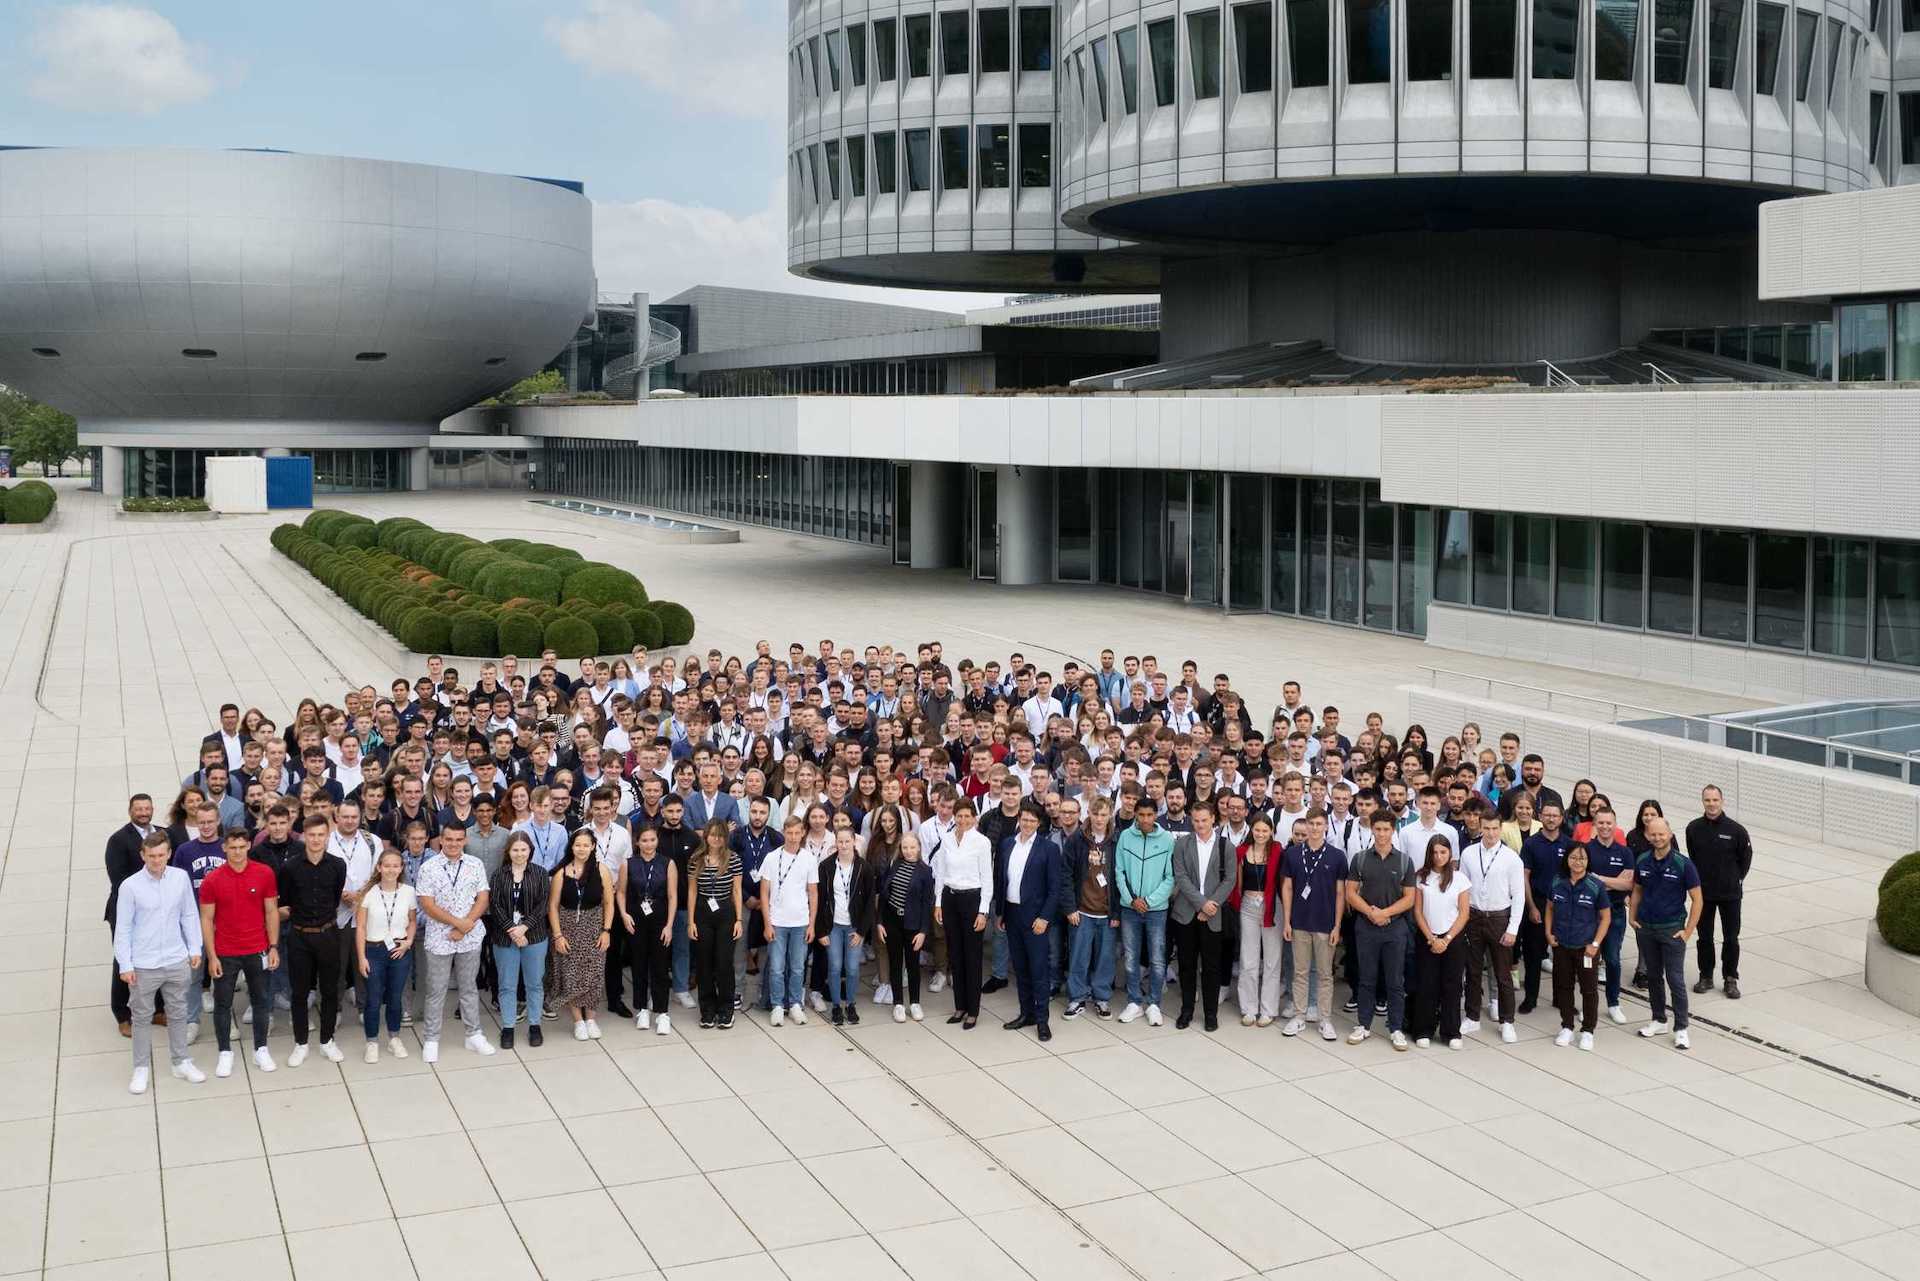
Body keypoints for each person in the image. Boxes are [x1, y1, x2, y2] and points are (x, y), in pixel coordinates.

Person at [116, 831, 206, 1093]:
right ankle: (141, 1068)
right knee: (141, 1018)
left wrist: (194, 948)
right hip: (144, 964)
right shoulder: (130, 886)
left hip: (176, 959)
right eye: (151, 856)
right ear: (143, 855)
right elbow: (123, 928)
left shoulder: (179, 878)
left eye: (161, 855)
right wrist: (126, 964)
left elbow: (190, 914)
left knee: (178, 1013)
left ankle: (181, 1062)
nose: (157, 860)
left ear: (169, 854)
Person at [197, 828, 280, 1077]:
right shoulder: (212, 880)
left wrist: (273, 946)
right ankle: (225, 1052)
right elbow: (206, 918)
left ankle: (261, 1049)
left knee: (261, 1001)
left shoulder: (264, 873)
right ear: (224, 848)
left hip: (258, 950)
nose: (237, 852)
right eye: (232, 847)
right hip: (225, 952)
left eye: (242, 847)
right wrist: (211, 956)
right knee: (222, 1004)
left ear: (248, 847)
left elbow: (271, 912)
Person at [416, 819, 494, 1061]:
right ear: (441, 839)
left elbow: (483, 898)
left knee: (469, 987)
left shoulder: (475, 864)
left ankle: (473, 1035)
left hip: (469, 937)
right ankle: (431, 1038)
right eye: (449, 839)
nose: (453, 844)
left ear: (465, 840)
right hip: (440, 938)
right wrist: (458, 923)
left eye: (459, 839)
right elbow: (427, 904)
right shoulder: (428, 867)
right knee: (436, 990)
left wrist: (466, 925)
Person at [278, 814, 348, 1065]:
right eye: (312, 835)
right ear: (304, 836)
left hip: (328, 934)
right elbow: (285, 901)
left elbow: (336, 894)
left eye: (321, 835)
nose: (316, 839)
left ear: (327, 837)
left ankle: (327, 1040)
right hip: (299, 936)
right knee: (299, 993)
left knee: (329, 991)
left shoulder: (338, 866)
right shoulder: (290, 868)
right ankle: (300, 1043)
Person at [995, 801, 1067, 1041]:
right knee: (1021, 969)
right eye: (1024, 819)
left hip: (1035, 918)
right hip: (1012, 915)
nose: (1026, 824)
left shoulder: (1048, 849)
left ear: (1039, 824)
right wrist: (1001, 913)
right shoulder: (1007, 844)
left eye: (1032, 821)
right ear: (1019, 819)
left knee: (1038, 970)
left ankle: (1042, 1020)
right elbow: (1001, 881)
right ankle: (1026, 1013)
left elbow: (1054, 888)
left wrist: (1045, 917)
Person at [1629, 816, 1703, 1050]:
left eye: (1662, 834)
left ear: (1670, 834)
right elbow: (1637, 890)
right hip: (1647, 928)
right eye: (1653, 834)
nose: (1658, 837)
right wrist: (1633, 916)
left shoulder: (1684, 864)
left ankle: (1681, 1028)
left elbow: (1697, 899)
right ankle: (1658, 1019)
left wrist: (1688, 930)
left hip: (1672, 930)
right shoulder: (1642, 860)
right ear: (1648, 836)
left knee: (1675, 980)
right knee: (1653, 977)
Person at [1345, 812, 1416, 1049]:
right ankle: (1363, 1025)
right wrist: (1371, 913)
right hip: (1366, 928)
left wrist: (1384, 914)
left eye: (1386, 829)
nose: (1382, 834)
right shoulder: (1361, 859)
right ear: (1372, 830)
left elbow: (1409, 898)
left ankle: (1395, 1028)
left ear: (1393, 830)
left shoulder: (1404, 861)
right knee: (1366, 978)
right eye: (1378, 829)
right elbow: (1351, 892)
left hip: (1395, 929)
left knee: (1395, 981)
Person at [1460, 802, 1525, 1042]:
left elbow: (1518, 895)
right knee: (1473, 970)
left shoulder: (1511, 858)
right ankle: (1472, 1017)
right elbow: (1463, 890)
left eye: (1495, 829)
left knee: (1503, 974)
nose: (1490, 833)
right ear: (1480, 827)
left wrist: (1512, 928)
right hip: (1475, 917)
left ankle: (1507, 1021)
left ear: (1501, 829)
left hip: (1499, 917)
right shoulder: (1469, 853)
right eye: (1486, 828)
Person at [1280, 809, 1346, 1040]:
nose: (1315, 828)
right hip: (1299, 922)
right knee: (1300, 972)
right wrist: (1287, 920)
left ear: (1326, 826)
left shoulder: (1337, 856)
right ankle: (1298, 1016)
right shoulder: (1293, 854)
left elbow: (1340, 893)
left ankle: (1325, 1019)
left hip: (1325, 924)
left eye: (1319, 824)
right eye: (1311, 823)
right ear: (1305, 826)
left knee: (1325, 974)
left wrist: (1337, 926)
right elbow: (1287, 888)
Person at [1169, 800, 1234, 1032]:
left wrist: (1211, 905)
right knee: (1186, 966)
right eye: (1195, 821)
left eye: (1204, 820)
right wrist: (1202, 904)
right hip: (1186, 913)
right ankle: (1186, 1011)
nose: (1200, 825)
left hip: (1213, 916)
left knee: (1211, 967)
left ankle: (1210, 1014)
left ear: (1213, 819)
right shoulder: (1182, 844)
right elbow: (1181, 876)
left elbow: (1230, 880)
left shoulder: (1226, 846)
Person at [1686, 784, 1751, 1000]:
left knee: (1731, 938)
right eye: (1707, 800)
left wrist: (1734, 879)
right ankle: (1706, 976)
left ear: (1722, 801)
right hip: (1704, 895)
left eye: (1715, 800)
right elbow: (1693, 858)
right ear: (1702, 801)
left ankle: (1730, 978)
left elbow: (1745, 861)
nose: (1711, 804)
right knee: (1704, 937)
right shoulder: (1693, 828)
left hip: (1730, 895)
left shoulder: (1737, 831)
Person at [934, 798, 994, 1029]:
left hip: (972, 900)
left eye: (967, 816)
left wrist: (983, 911)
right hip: (950, 898)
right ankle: (959, 1006)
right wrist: (938, 902)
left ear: (974, 818)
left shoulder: (982, 842)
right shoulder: (947, 839)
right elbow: (940, 872)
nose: (963, 820)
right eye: (959, 816)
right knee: (955, 955)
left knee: (972, 957)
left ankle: (973, 1010)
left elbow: (987, 879)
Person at [550, 828, 616, 1040]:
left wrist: (606, 930)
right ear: (572, 846)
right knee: (571, 975)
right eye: (578, 845)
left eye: (586, 845)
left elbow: (609, 902)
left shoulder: (601, 870)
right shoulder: (562, 873)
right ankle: (578, 1021)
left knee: (594, 974)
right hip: (568, 928)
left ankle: (591, 1019)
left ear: (593, 846)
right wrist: (558, 935)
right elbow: (552, 907)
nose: (581, 849)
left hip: (594, 926)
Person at [1114, 795, 1174, 1027]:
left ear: (1156, 815)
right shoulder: (1125, 837)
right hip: (1130, 909)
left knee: (1158, 959)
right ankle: (1134, 1001)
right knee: (1130, 957)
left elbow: (1170, 877)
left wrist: (1149, 900)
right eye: (1142, 815)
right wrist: (1131, 899)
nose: (1146, 819)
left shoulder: (1168, 839)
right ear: (1135, 815)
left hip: (1156, 909)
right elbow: (1119, 872)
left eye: (1150, 815)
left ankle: (1154, 1003)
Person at [1408, 835, 1471, 1050]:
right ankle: (1423, 1029)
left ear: (1450, 853)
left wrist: (1447, 939)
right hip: (1428, 938)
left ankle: (1451, 1031)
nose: (1438, 856)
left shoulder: (1460, 879)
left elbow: (1464, 913)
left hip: (1452, 940)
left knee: (1452, 986)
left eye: (1443, 852)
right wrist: (1432, 938)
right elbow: (1417, 911)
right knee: (1427, 985)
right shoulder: (1421, 878)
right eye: (1434, 852)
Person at [105, 794, 160, 1037]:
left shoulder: (162, 835)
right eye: (138, 809)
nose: (143, 813)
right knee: (124, 959)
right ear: (130, 811)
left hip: (157, 910)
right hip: (126, 910)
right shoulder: (118, 840)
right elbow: (118, 880)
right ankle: (123, 1014)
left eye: (147, 808)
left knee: (157, 957)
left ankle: (158, 1009)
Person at [486, 832, 547, 1049]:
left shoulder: (540, 873)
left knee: (535, 983)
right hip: (505, 938)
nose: (520, 854)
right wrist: (512, 930)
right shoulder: (499, 875)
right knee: (507, 985)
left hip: (535, 936)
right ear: (508, 852)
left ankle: (534, 1025)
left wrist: (524, 928)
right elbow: (495, 905)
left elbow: (543, 905)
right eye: (515, 850)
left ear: (530, 850)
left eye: (523, 849)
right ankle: (508, 1027)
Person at [1546, 844, 1610, 1050]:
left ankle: (1588, 1030)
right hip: (1562, 945)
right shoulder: (1557, 881)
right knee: (1563, 986)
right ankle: (1566, 1026)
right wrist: (1548, 932)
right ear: (1567, 859)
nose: (1578, 862)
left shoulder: (1595, 885)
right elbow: (1549, 908)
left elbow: (1605, 917)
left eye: (1582, 859)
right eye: (1574, 858)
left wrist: (1595, 944)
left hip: (1586, 948)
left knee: (1589, 990)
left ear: (1588, 861)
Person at [358, 848, 420, 1060]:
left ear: (401, 868)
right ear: (379, 868)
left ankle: (394, 1038)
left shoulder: (408, 892)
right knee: (373, 999)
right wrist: (361, 957)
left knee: (395, 997)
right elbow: (361, 928)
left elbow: (412, 921)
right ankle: (372, 1041)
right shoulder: (368, 893)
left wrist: (408, 942)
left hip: (399, 951)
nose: (391, 870)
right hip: (374, 951)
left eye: (396, 866)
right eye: (387, 866)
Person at [1063, 796, 1119, 1020]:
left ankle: (1101, 997)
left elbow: (1120, 877)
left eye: (1103, 814)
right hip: (1082, 911)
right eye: (1095, 814)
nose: (1099, 819)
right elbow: (1065, 875)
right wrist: (1070, 908)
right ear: (1089, 814)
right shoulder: (1077, 839)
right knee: (1078, 957)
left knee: (1105, 958)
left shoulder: (1117, 840)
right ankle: (1077, 997)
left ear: (1110, 815)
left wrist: (1116, 912)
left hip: (1107, 913)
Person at [760, 815, 820, 1026]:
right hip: (777, 922)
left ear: (803, 832)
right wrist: (767, 924)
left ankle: (795, 1003)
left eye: (797, 833)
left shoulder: (809, 859)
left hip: (801, 922)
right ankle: (777, 1005)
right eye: (789, 833)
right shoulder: (771, 857)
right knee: (776, 967)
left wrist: (812, 924)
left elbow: (813, 893)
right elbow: (764, 893)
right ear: (784, 832)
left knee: (797, 967)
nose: (793, 837)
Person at [619, 826, 678, 1034]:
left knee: (660, 966)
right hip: (636, 919)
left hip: (660, 918)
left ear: (657, 840)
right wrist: (624, 915)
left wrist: (670, 925)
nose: (648, 844)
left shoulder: (667, 863)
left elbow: (672, 896)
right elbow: (621, 892)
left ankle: (662, 1012)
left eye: (652, 840)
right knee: (639, 965)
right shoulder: (629, 864)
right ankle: (642, 1008)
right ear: (637, 842)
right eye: (644, 840)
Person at [689, 820, 745, 1029]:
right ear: (706, 836)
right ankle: (707, 1010)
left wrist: (739, 919)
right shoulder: (696, 859)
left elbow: (737, 891)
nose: (716, 839)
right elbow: (692, 891)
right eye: (712, 834)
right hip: (703, 912)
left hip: (725, 913)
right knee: (704, 964)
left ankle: (726, 1009)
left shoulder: (733, 859)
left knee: (723, 962)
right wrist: (691, 921)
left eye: (720, 835)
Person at [1517, 801, 1572, 1015]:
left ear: (1561, 819)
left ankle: (1561, 999)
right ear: (1541, 816)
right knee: (1533, 954)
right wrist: (1531, 907)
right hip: (1538, 903)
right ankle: (1530, 998)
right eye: (1547, 815)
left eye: (1555, 815)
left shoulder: (1569, 844)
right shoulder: (1531, 844)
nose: (1551, 819)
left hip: (1562, 907)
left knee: (1563, 957)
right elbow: (1525, 876)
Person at [1232, 814, 1285, 1027]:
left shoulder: (1278, 851)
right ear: (1251, 831)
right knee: (1248, 958)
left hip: (1272, 907)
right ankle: (1249, 1008)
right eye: (1257, 830)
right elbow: (1238, 884)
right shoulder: (1241, 852)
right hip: (1248, 905)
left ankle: (1269, 1009)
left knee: (1272, 960)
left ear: (1271, 831)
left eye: (1265, 830)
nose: (1261, 834)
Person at [817, 827, 873, 1026]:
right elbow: (820, 900)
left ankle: (850, 1004)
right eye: (839, 842)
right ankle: (835, 1007)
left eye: (847, 841)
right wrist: (821, 930)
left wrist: (861, 931)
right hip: (833, 926)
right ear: (835, 844)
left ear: (853, 842)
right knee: (834, 967)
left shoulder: (863, 868)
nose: (843, 845)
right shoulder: (825, 867)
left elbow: (868, 903)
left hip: (853, 927)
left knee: (852, 968)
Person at [878, 832, 934, 1023]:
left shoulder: (925, 871)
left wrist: (923, 931)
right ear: (900, 849)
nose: (909, 851)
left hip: (913, 925)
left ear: (918, 848)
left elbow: (927, 903)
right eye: (905, 847)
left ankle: (915, 1002)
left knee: (912, 965)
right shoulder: (895, 865)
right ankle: (898, 1004)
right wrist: (879, 922)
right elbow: (884, 895)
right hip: (892, 922)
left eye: (912, 847)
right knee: (895, 963)